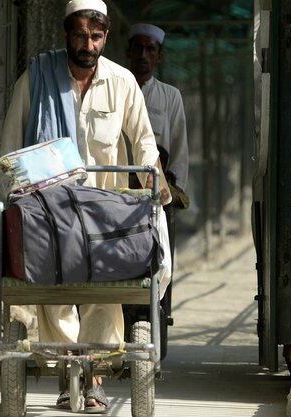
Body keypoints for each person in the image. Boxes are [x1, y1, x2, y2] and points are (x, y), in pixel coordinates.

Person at [0, 0, 169, 413]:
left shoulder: (122, 81)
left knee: (103, 292)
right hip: (51, 212)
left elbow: (144, 141)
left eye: (95, 37)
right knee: (54, 290)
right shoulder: (37, 78)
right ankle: (67, 370)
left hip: (102, 216)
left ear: (106, 37)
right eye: (79, 35)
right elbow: (10, 144)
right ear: (66, 35)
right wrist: (12, 196)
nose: (87, 45)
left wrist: (154, 178)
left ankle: (92, 374)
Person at [126, 23, 190, 346]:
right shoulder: (119, 88)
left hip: (158, 192)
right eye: (137, 48)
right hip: (122, 189)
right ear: (128, 52)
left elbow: (178, 147)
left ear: (159, 56)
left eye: (150, 49)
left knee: (160, 260)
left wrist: (174, 192)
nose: (143, 55)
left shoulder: (170, 97)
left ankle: (157, 328)